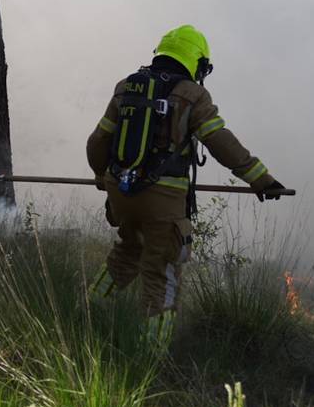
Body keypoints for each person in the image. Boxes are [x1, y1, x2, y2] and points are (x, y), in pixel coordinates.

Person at [85, 24, 286, 349]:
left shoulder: (126, 87)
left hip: (121, 195)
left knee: (128, 252)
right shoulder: (192, 94)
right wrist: (261, 179)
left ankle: (88, 312)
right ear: (197, 62)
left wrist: (101, 178)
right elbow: (220, 141)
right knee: (162, 272)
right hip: (162, 203)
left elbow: (98, 141)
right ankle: (152, 355)